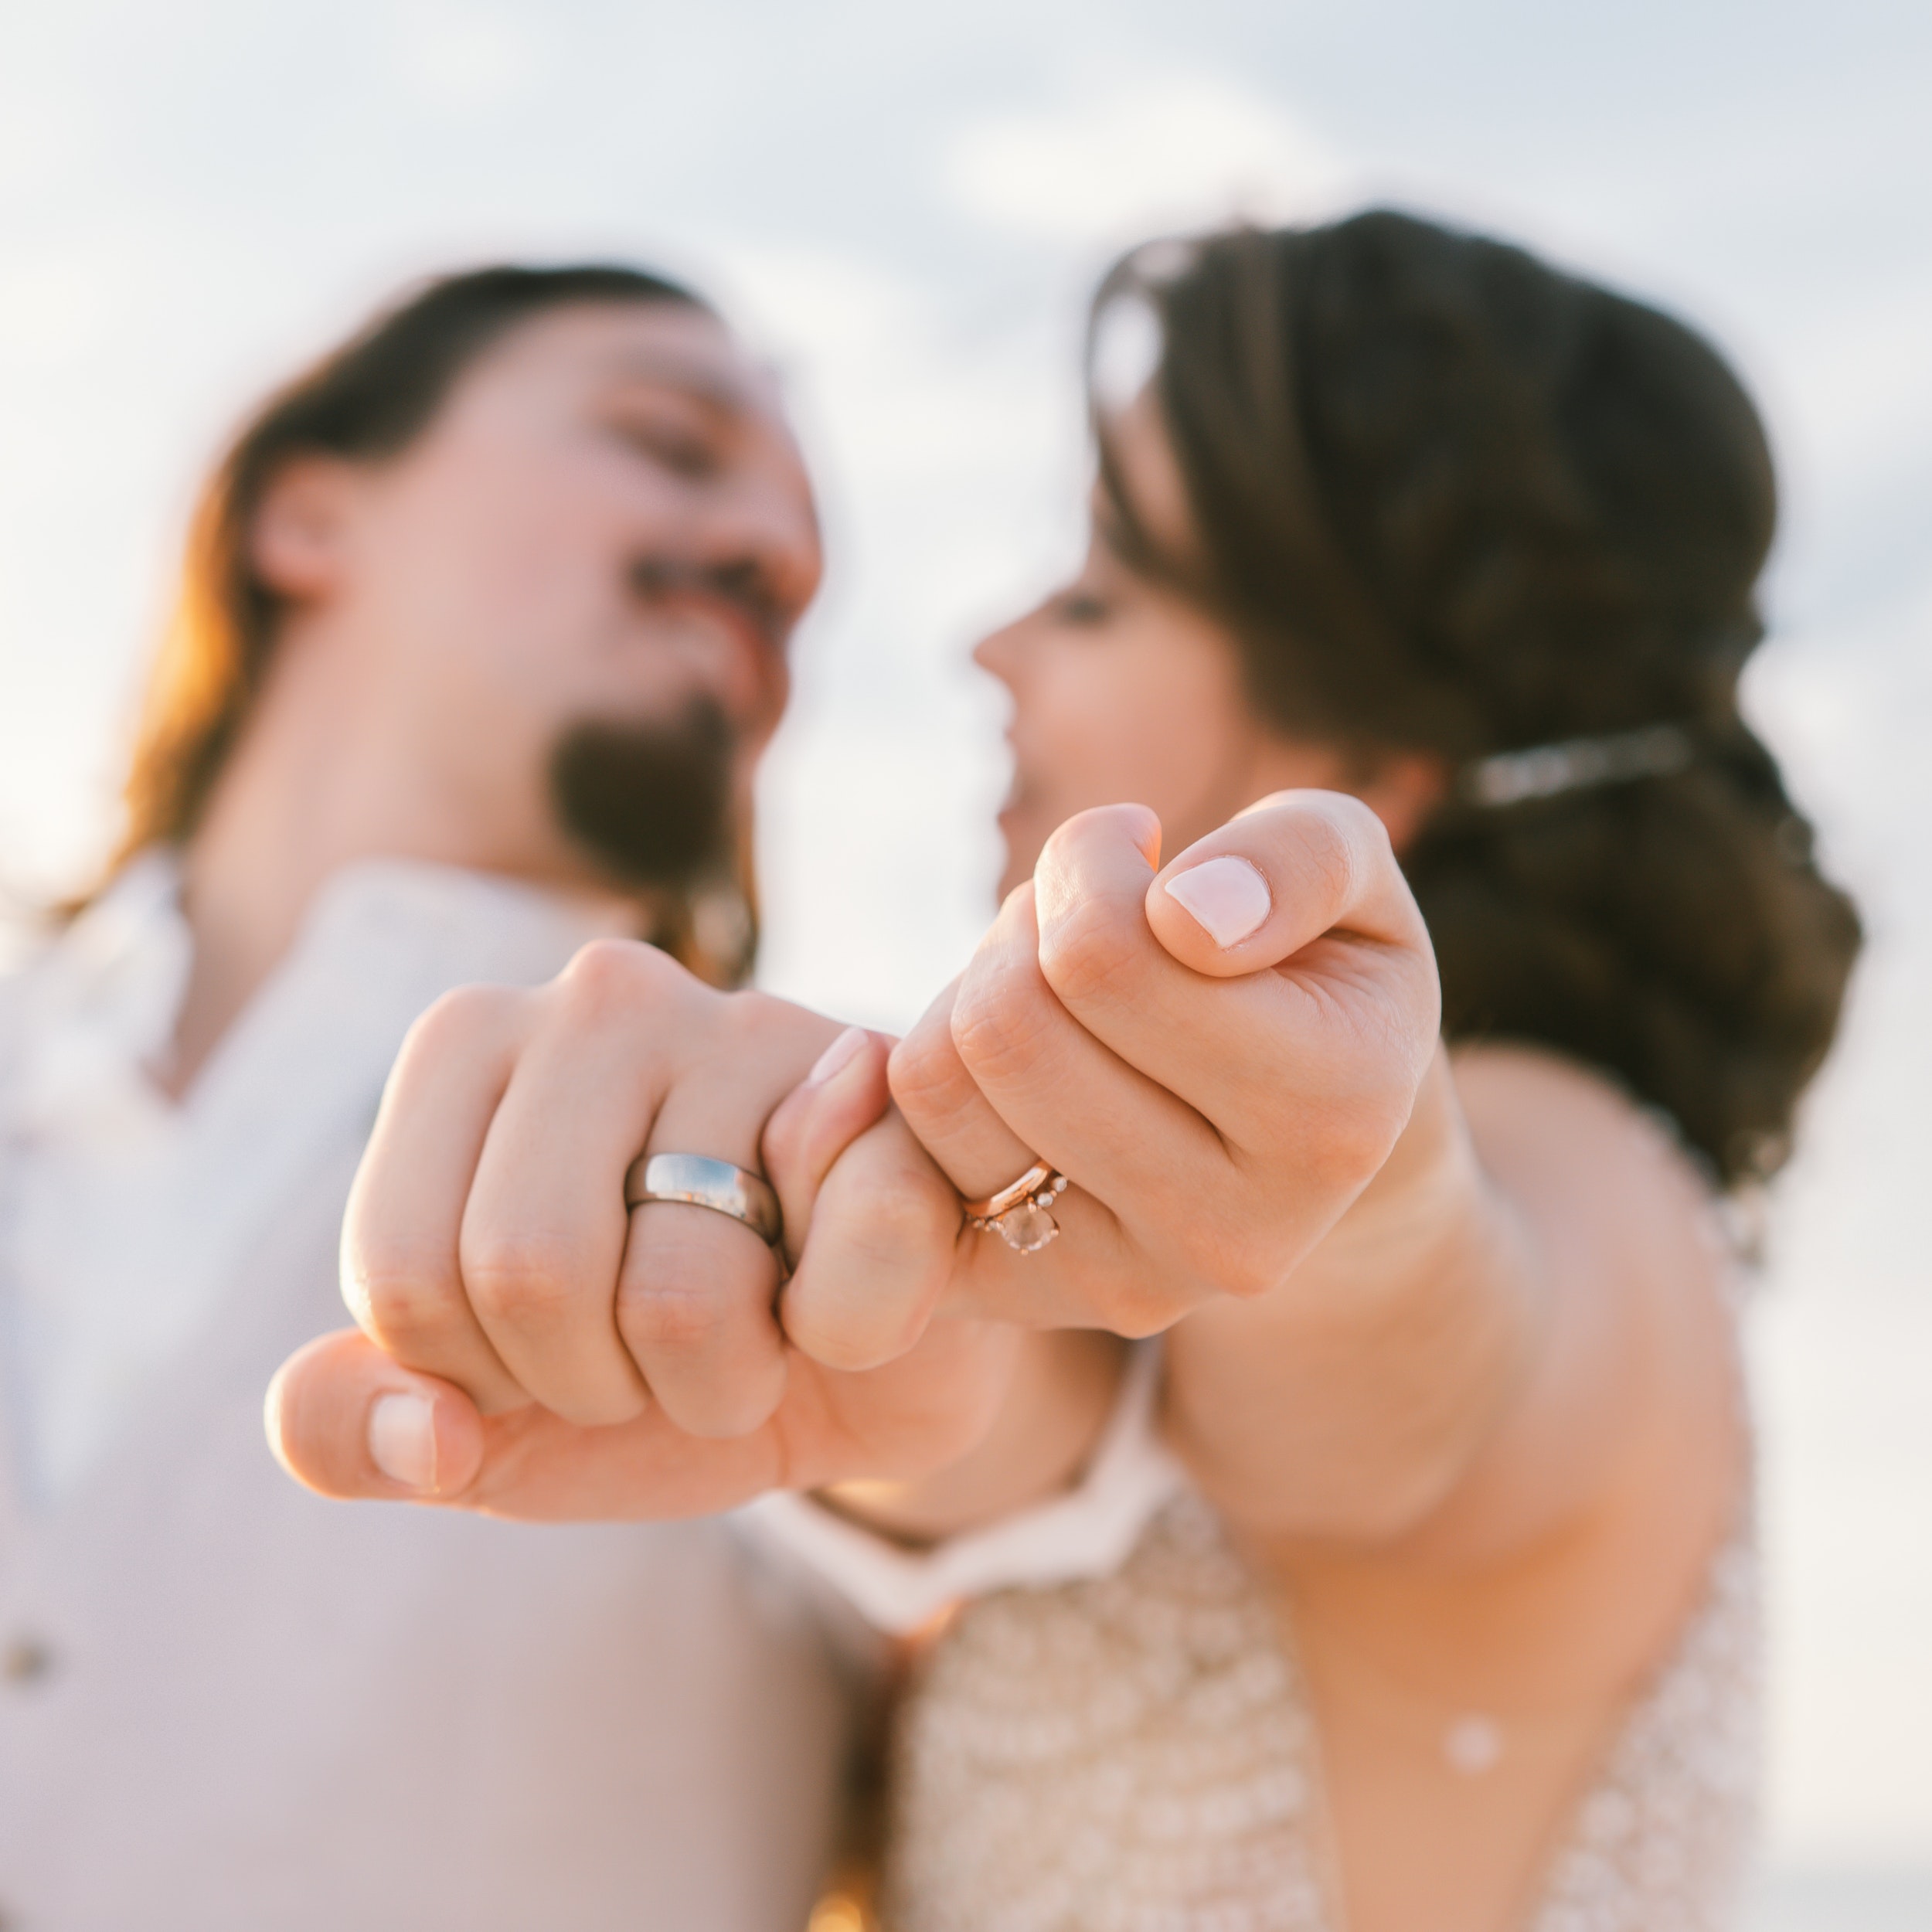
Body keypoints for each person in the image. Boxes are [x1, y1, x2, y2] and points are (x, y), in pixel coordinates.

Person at [270, 212, 1862, 1930]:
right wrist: (853, 1273)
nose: (992, 644)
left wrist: (1357, 1192)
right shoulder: (1142, 1265)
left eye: (1099, 589)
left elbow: (1419, 1359)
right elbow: (1039, 1414)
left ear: (1366, 774)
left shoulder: (1571, 1177)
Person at [0, 261, 888, 1928]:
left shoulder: (828, 1143)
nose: (778, 561)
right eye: (670, 442)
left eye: (801, 557)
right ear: (310, 516)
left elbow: (1030, 1460)